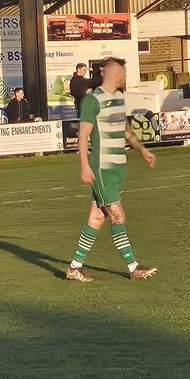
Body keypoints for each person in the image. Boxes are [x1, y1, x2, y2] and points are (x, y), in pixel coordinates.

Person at [65, 56, 157, 283]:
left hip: (115, 170)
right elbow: (83, 135)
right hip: (102, 169)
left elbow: (124, 129)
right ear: (109, 74)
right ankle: (133, 267)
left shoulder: (116, 98)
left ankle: (74, 267)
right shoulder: (92, 101)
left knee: (96, 218)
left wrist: (142, 150)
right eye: (121, 73)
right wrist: (85, 165)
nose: (124, 77)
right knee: (118, 215)